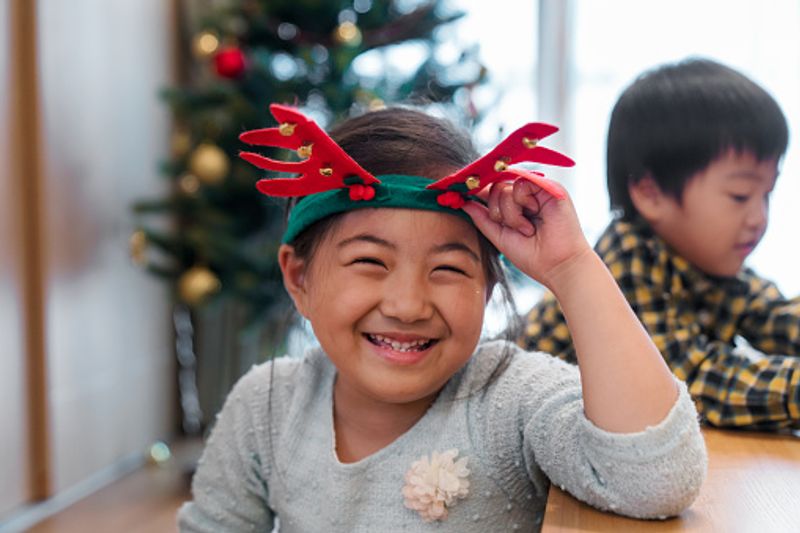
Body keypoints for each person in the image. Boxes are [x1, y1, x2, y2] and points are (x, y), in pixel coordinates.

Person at [177, 103, 706, 532]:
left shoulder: (512, 397)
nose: (408, 305)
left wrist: (571, 268)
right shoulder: (266, 402)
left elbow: (655, 479)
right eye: (369, 261)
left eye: (448, 268)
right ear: (300, 279)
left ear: (489, 285)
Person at [519, 57, 800, 430]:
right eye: (740, 195)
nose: (759, 217)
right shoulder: (626, 259)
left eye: (768, 193)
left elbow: (774, 316)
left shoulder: (708, 262)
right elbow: (687, 382)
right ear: (650, 194)